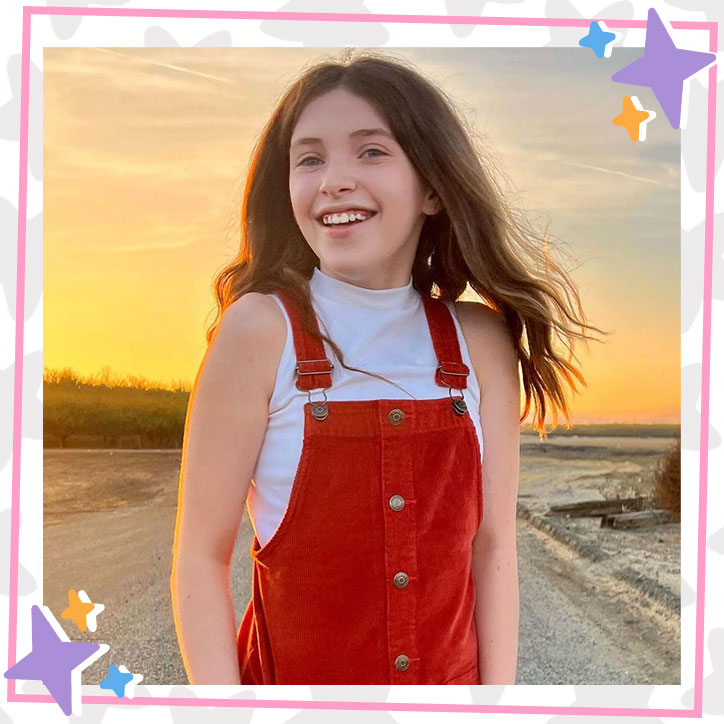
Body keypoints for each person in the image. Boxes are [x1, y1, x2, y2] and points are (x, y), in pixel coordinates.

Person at [170, 49, 602, 686]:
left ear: (432, 187)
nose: (333, 179)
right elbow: (201, 560)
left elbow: (494, 551)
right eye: (309, 158)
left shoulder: (479, 340)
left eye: (371, 151)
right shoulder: (259, 331)